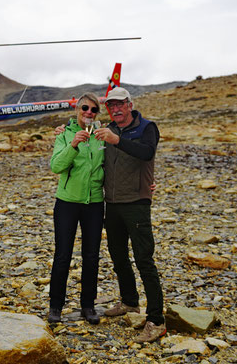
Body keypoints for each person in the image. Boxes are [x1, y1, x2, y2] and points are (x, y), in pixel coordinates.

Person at [94, 86, 166, 343]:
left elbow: (146, 152)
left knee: (144, 259)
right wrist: (62, 132)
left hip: (136, 202)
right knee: (118, 255)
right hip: (111, 204)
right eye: (111, 106)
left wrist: (117, 141)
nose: (115, 110)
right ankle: (129, 302)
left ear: (130, 104)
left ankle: (156, 320)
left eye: (120, 105)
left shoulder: (147, 127)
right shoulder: (108, 129)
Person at [48, 92, 105, 325]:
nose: (88, 113)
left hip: (94, 204)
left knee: (91, 256)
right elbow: (56, 166)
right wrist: (73, 144)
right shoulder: (64, 135)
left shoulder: (102, 136)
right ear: (77, 109)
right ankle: (55, 307)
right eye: (84, 108)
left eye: (93, 110)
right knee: (63, 255)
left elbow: (113, 165)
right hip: (67, 203)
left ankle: (88, 306)